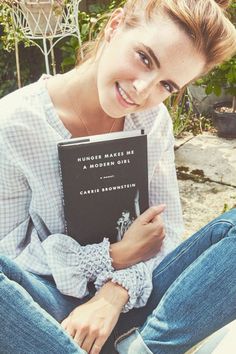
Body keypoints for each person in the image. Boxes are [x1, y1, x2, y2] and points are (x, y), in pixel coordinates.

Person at [0, 0, 236, 353]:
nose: (142, 90)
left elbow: (165, 232)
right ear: (115, 26)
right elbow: (12, 251)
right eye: (144, 58)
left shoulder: (153, 121)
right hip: (49, 311)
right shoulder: (14, 124)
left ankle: (143, 348)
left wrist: (114, 291)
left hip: (136, 295)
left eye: (166, 85)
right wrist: (113, 255)